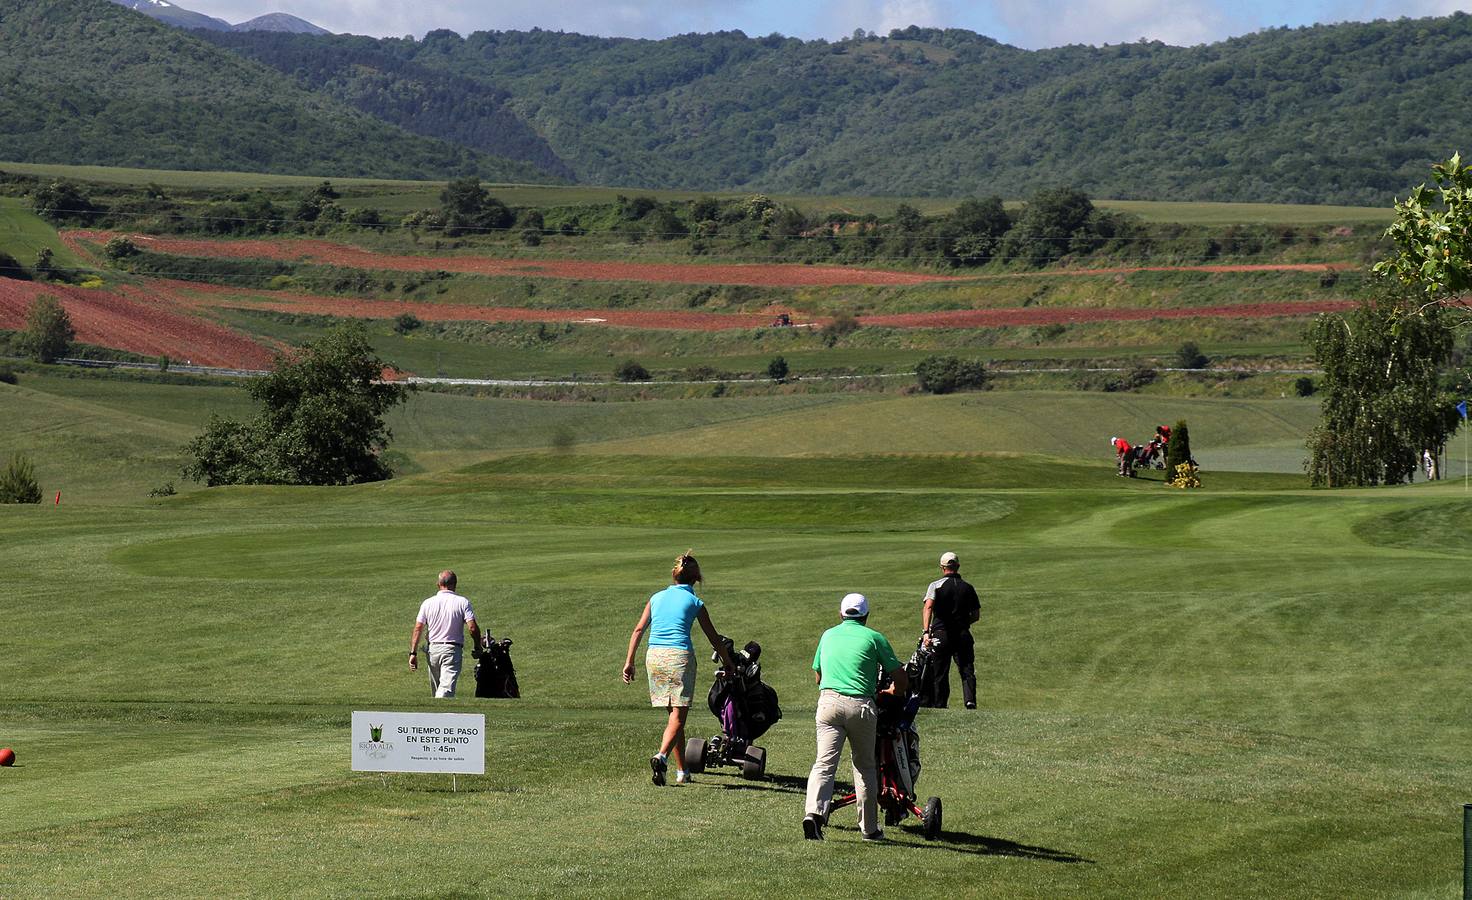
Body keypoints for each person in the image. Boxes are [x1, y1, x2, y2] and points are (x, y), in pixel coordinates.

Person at [623, 551, 735, 787]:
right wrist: (728, 663)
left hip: (654, 657)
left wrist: (629, 661)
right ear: (696, 579)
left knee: (675, 717)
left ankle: (682, 771)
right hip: (678, 658)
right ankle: (661, 756)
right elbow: (713, 638)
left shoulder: (656, 597)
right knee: (678, 716)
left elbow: (638, 630)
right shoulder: (695, 602)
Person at [803, 592, 908, 843]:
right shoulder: (874, 638)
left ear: (841, 614)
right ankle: (869, 829)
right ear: (866, 616)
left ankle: (814, 814)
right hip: (860, 705)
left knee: (824, 763)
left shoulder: (828, 635)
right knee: (864, 767)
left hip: (827, 703)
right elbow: (900, 678)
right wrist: (893, 691)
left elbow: (818, 676)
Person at [920, 552, 981, 709]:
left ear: (942, 567)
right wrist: (962, 623)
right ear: (958, 566)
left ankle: (940, 704)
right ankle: (970, 700)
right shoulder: (968, 587)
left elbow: (928, 607)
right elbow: (976, 615)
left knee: (940, 671)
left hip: (941, 634)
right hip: (962, 634)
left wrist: (926, 631)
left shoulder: (935, 585)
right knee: (967, 669)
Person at [408, 570, 481, 698]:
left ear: (438, 584)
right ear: (455, 584)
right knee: (444, 692)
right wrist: (477, 646)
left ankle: (437, 716)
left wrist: (413, 653)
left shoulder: (427, 603)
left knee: (438, 690)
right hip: (451, 650)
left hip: (432, 651)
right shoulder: (462, 602)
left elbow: (418, 628)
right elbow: (472, 628)